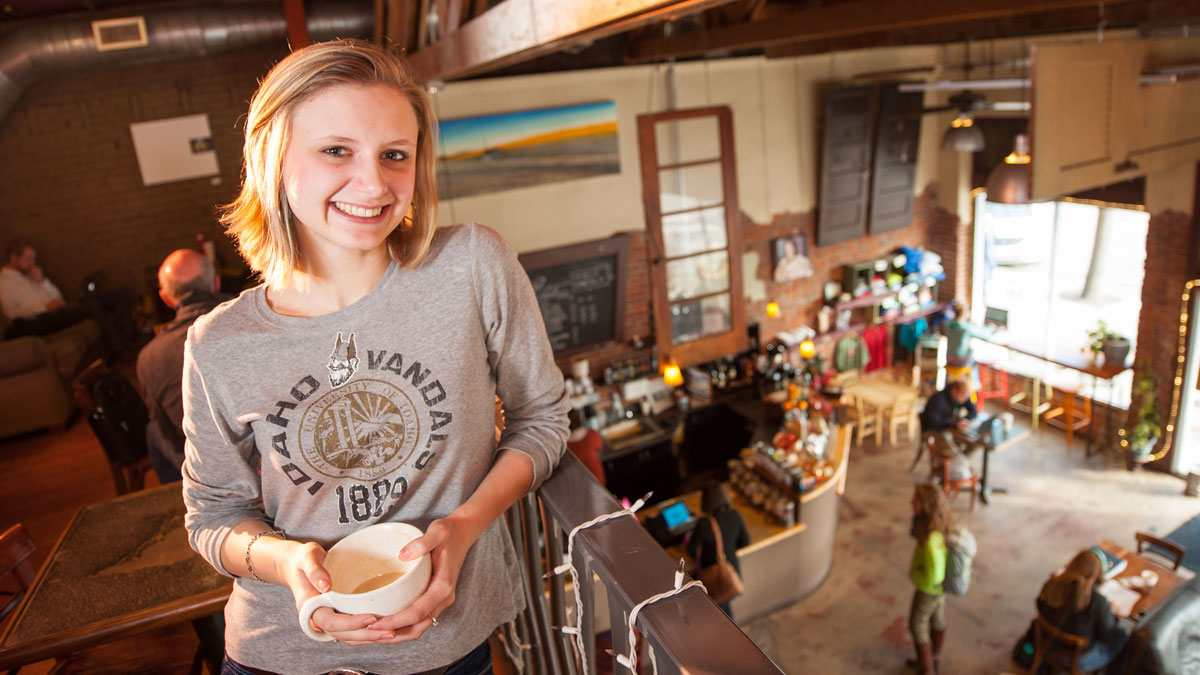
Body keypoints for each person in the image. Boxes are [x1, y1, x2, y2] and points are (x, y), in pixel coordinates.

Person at [180, 40, 570, 675]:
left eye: (396, 155)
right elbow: (216, 517)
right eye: (336, 150)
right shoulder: (219, 344)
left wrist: (466, 526)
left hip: (443, 641)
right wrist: (290, 564)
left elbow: (544, 420)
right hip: (282, 652)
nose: (373, 184)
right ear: (276, 161)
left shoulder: (471, 266)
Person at [136, 249, 227, 484]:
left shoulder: (149, 357)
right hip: (276, 449)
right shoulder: (259, 317)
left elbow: (172, 437)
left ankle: (184, 507)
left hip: (213, 468)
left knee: (153, 432)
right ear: (216, 282)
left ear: (165, 298)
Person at [0, 240, 133, 351]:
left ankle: (129, 338)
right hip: (40, 321)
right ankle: (120, 347)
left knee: (118, 294)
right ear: (13, 258)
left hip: (57, 311)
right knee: (91, 306)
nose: (32, 264)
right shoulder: (4, 283)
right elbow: (13, 313)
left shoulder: (29, 275)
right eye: (28, 259)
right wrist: (45, 307)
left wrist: (42, 281)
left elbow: (57, 295)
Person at [1035, 550, 1129, 673]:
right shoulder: (1098, 602)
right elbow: (1108, 637)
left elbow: (1039, 605)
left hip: (1045, 644)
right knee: (1122, 636)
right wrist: (1113, 615)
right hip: (1078, 658)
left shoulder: (1051, 584)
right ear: (1096, 574)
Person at [907, 484, 954, 674]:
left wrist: (918, 573)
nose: (911, 502)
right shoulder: (939, 524)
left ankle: (926, 669)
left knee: (916, 625)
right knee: (937, 620)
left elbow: (935, 574)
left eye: (915, 500)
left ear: (924, 505)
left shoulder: (930, 538)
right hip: (940, 591)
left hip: (929, 589)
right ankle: (933, 660)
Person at [686, 482, 749, 619]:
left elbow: (691, 549)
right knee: (725, 608)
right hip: (731, 571)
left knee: (720, 612)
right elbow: (745, 541)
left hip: (712, 576)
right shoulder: (734, 515)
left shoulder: (704, 523)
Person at [920, 379, 977, 462]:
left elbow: (973, 411)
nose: (965, 399)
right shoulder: (938, 399)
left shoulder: (962, 395)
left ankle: (960, 464)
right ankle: (953, 466)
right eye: (963, 396)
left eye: (966, 396)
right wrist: (955, 424)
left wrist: (964, 420)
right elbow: (934, 424)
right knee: (952, 452)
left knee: (974, 442)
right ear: (954, 391)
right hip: (933, 430)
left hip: (949, 428)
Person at [566, 408, 605, 485]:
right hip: (597, 479)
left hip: (579, 484)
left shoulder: (564, 444)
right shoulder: (592, 434)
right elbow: (600, 447)